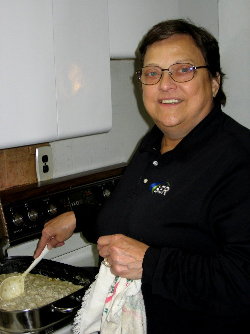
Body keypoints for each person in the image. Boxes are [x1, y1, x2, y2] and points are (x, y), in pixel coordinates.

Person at [34, 19, 250, 333]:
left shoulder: (238, 160)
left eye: (184, 69)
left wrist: (151, 264)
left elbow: (242, 280)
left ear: (214, 82)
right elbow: (146, 218)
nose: (165, 84)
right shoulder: (153, 145)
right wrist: (80, 219)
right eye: (152, 73)